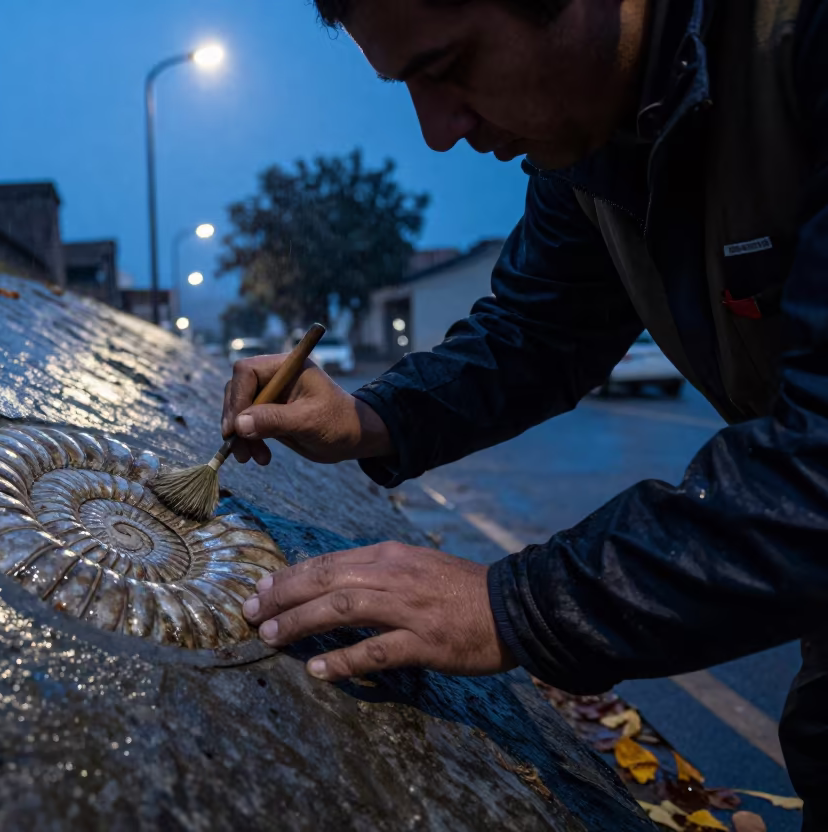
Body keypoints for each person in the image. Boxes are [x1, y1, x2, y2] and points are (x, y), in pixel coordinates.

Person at [223, 0, 828, 824]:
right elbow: (536, 331)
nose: (439, 130)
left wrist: (517, 603)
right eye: (407, 87)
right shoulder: (589, 144)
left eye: (448, 67)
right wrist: (367, 418)